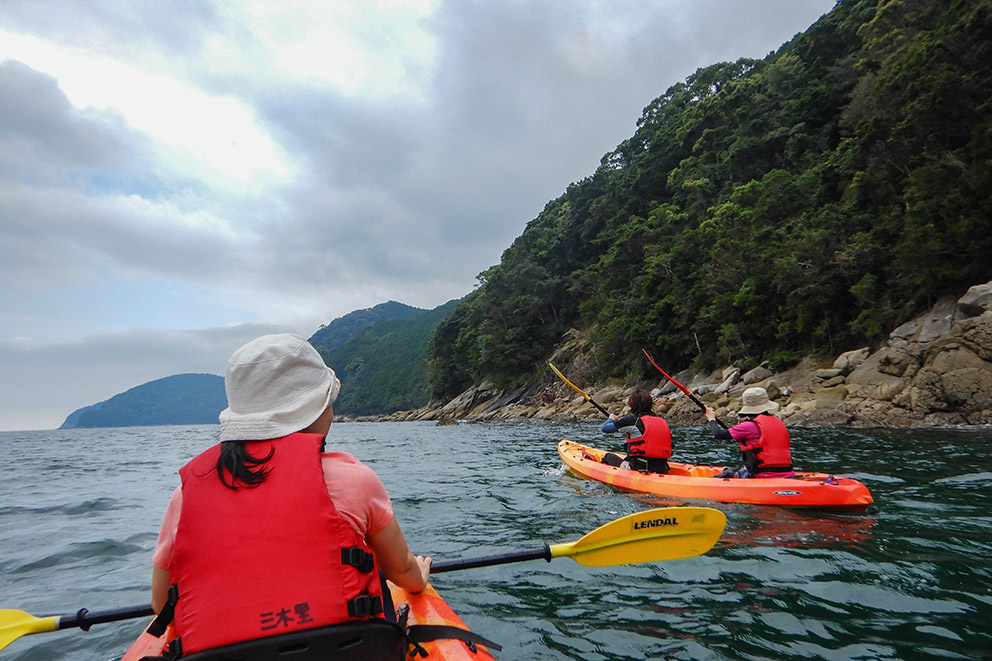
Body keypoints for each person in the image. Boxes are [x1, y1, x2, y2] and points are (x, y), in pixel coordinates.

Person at [148, 334, 431, 656]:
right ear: (317, 411)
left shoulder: (184, 497)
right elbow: (400, 570)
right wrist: (418, 578)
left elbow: (161, 604)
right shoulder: (356, 480)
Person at [704, 386, 795, 479]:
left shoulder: (748, 426)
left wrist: (711, 418)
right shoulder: (778, 422)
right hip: (789, 474)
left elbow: (718, 434)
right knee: (733, 471)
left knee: (727, 474)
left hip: (763, 475)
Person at [600, 388, 672, 473]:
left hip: (638, 468)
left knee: (608, 456)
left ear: (632, 404)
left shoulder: (632, 421)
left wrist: (611, 419)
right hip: (662, 468)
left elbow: (605, 428)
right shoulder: (662, 421)